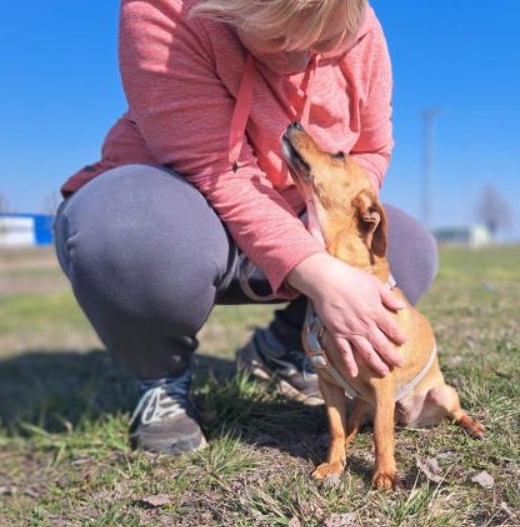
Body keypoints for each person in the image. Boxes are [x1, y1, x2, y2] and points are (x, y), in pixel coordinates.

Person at [53, 0, 438, 454]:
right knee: (127, 231)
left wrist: (331, 216)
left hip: (291, 213)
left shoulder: (356, 23)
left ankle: (281, 350)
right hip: (182, 209)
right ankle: (160, 377)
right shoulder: (163, 11)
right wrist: (317, 270)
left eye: (322, 44)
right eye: (279, 37)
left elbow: (371, 149)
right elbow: (219, 173)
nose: (299, 59)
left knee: (407, 251)